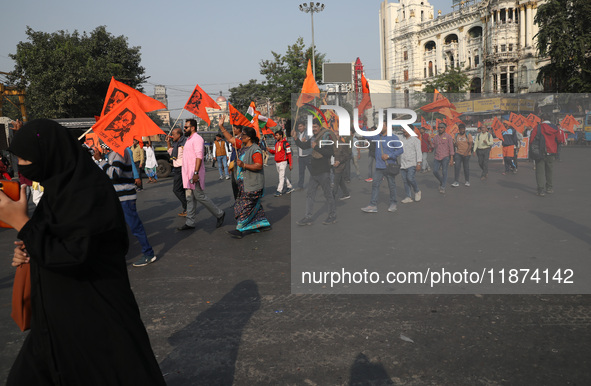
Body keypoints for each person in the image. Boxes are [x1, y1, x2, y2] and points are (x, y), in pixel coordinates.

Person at [0, 119, 165, 385]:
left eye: (26, 158)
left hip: (92, 318)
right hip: (54, 321)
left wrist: (20, 223)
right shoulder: (58, 190)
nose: (21, 164)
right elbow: (50, 239)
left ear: (49, 154)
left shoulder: (89, 192)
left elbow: (74, 254)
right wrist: (29, 250)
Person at [97, 146, 157, 267]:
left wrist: (100, 160)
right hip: (119, 197)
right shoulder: (114, 152)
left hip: (125, 197)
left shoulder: (120, 152)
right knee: (118, 227)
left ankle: (148, 253)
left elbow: (114, 174)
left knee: (135, 226)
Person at [178, 119, 225, 231]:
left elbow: (199, 157)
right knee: (190, 198)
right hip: (187, 175)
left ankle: (219, 214)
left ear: (192, 127)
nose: (184, 129)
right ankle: (190, 222)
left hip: (194, 174)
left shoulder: (198, 139)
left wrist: (195, 173)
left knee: (199, 196)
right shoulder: (189, 139)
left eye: (186, 127)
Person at [227, 126, 271, 239]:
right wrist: (222, 127)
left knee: (243, 206)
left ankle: (240, 229)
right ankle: (263, 224)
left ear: (249, 137)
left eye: (243, 135)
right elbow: (231, 139)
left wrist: (244, 165)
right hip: (244, 184)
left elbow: (259, 165)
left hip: (253, 184)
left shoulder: (255, 149)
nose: (241, 137)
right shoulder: (242, 146)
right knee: (255, 205)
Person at [295, 119, 336, 225]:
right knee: (310, 195)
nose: (314, 129)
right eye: (312, 127)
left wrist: (316, 147)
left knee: (328, 195)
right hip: (314, 172)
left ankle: (332, 216)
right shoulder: (313, 138)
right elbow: (304, 146)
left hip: (324, 171)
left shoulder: (326, 137)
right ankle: (308, 217)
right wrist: (295, 138)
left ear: (320, 126)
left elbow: (330, 153)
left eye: (315, 127)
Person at [361, 126, 404, 213]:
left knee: (391, 185)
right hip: (379, 166)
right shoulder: (377, 136)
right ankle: (373, 205)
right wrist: (364, 124)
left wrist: (389, 156)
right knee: (375, 185)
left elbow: (400, 150)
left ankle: (393, 203)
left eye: (382, 125)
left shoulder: (393, 137)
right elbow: (365, 134)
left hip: (389, 166)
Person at [530, 118, 564, 196]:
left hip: (540, 152)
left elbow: (532, 139)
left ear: (542, 119)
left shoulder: (538, 127)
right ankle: (549, 188)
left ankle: (540, 189)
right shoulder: (555, 128)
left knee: (540, 171)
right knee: (549, 170)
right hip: (551, 152)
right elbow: (559, 139)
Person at [166, 127, 187, 216]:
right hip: (177, 168)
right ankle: (187, 208)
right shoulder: (176, 143)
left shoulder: (184, 143)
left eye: (173, 134)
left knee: (176, 190)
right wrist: (168, 143)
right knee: (181, 189)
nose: (172, 136)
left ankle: (187, 207)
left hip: (182, 168)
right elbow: (172, 153)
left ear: (179, 135)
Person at [267, 130, 294, 196]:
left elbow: (289, 154)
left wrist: (290, 164)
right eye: (275, 135)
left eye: (277, 135)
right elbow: (275, 152)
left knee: (281, 177)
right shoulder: (276, 143)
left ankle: (279, 191)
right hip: (277, 162)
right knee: (283, 175)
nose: (275, 137)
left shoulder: (286, 143)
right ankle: (289, 186)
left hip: (283, 162)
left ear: (281, 136)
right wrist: (269, 150)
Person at [399, 129, 422, 203]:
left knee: (410, 178)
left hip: (412, 163)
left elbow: (419, 151)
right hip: (403, 163)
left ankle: (417, 191)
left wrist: (418, 163)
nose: (404, 131)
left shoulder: (415, 140)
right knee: (405, 181)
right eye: (403, 130)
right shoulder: (401, 139)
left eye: (405, 130)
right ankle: (408, 197)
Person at [432, 122, 455, 194]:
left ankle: (443, 187)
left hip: (445, 156)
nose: (440, 129)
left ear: (444, 129)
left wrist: (451, 159)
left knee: (444, 172)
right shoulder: (435, 137)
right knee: (435, 171)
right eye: (439, 127)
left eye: (441, 127)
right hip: (437, 156)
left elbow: (451, 148)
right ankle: (442, 181)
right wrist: (430, 141)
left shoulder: (448, 137)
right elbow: (433, 146)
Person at [291, 121, 312, 190]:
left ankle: (316, 183)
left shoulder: (308, 133)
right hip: (300, 157)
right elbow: (297, 143)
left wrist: (306, 141)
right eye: (299, 126)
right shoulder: (298, 134)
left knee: (312, 171)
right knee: (301, 172)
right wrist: (294, 137)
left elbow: (311, 141)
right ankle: (300, 185)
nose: (299, 128)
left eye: (301, 126)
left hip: (307, 155)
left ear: (304, 126)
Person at [332, 136, 352, 200]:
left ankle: (332, 197)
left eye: (336, 135)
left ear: (339, 136)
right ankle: (346, 194)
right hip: (333, 165)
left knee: (336, 182)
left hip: (340, 166)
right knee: (340, 181)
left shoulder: (342, 144)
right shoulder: (332, 144)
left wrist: (339, 161)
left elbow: (347, 156)